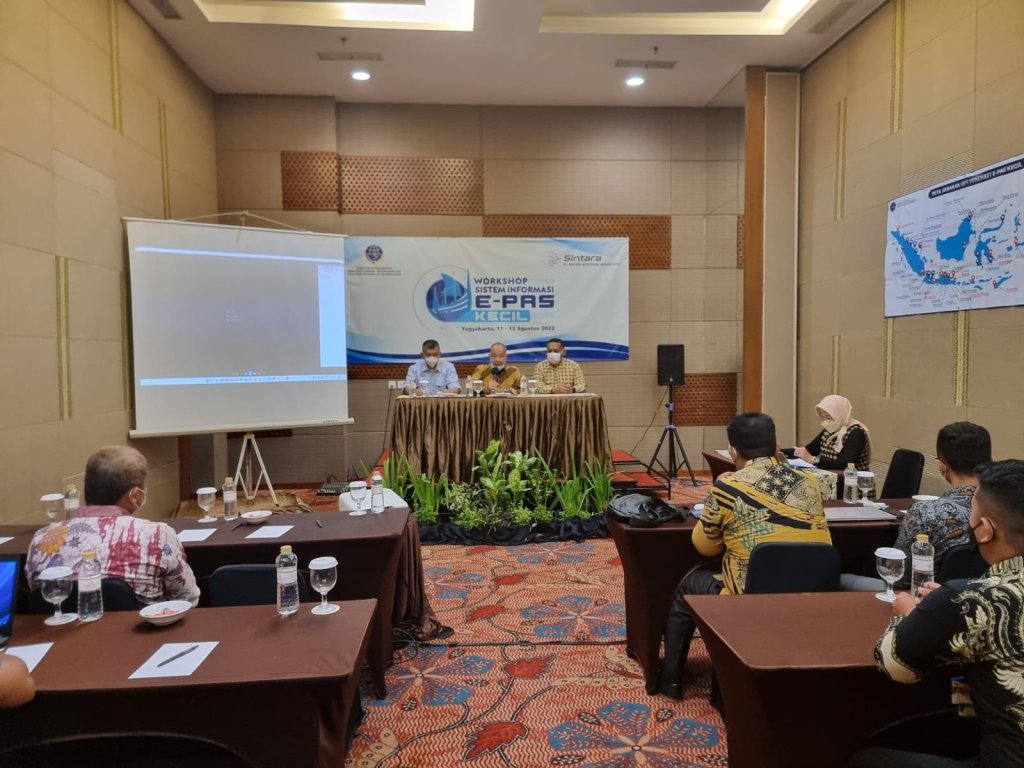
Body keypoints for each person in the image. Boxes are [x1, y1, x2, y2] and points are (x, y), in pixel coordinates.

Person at [849, 459, 1024, 768]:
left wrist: (909, 613)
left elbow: (895, 664)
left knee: (866, 760)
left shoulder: (969, 600)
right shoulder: (966, 597)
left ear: (985, 531)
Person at [658, 412, 832, 698]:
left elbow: (705, 547)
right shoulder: (809, 482)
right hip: (811, 593)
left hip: (749, 597)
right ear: (776, 446)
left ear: (733, 451)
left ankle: (671, 680)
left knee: (688, 585)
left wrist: (716, 493)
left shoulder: (727, 487)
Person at [24, 446, 200, 607]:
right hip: (142, 631)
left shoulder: (42, 538)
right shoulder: (158, 535)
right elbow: (186, 599)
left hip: (59, 631)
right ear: (135, 495)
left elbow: (38, 594)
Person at [843, 422, 992, 592]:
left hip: (921, 596)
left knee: (842, 578)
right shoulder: (1005, 510)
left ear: (942, 465)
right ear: (990, 461)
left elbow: (900, 577)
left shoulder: (925, 512)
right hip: (985, 595)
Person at [794, 394, 871, 470]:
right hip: (830, 476)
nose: (825, 422)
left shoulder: (856, 433)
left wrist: (813, 459)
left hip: (852, 477)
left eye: (828, 417)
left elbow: (846, 463)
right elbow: (809, 450)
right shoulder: (830, 430)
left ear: (840, 414)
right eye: (823, 418)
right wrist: (788, 452)